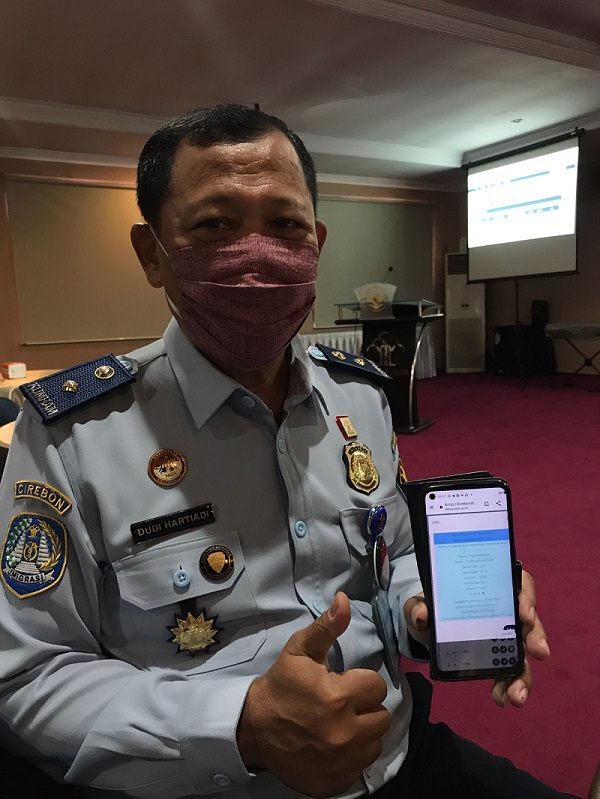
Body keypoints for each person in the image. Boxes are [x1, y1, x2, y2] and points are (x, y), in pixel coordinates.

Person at [0, 104, 580, 799]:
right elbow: (26, 677)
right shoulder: (72, 436)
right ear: (152, 253)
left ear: (317, 241)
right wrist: (240, 724)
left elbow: (391, 558)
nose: (258, 254)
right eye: (214, 225)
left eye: (285, 224)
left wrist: (431, 608)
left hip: (395, 755)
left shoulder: (360, 396)